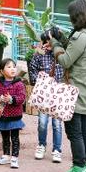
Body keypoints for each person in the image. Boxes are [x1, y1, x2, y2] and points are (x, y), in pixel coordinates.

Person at [49, 0, 86, 172]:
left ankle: (79, 168)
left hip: (76, 90)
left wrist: (55, 44)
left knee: (75, 132)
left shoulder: (80, 37)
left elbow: (65, 61)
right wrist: (63, 38)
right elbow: (78, 52)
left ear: (76, 16)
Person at [29, 30, 64, 163]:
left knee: (57, 123)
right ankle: (41, 145)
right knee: (42, 122)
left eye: (49, 41)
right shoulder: (39, 55)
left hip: (57, 92)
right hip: (44, 92)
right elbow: (32, 68)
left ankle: (57, 149)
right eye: (45, 41)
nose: (46, 44)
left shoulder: (61, 54)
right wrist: (37, 79)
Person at [0, 58, 26, 169]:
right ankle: (6, 155)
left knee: (14, 137)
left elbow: (22, 98)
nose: (12, 69)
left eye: (14, 67)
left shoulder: (19, 83)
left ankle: (14, 157)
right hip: (2, 115)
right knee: (5, 137)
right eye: (9, 67)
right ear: (1, 70)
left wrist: (11, 99)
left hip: (14, 116)